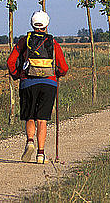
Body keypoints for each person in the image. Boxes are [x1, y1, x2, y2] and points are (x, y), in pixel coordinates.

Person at [7, 10, 68, 164]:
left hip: (28, 82)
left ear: (31, 23)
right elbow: (63, 67)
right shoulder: (53, 42)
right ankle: (41, 154)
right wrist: (58, 74)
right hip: (49, 83)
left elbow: (10, 61)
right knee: (42, 119)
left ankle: (30, 142)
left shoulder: (23, 41)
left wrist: (17, 75)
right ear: (47, 24)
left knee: (30, 116)